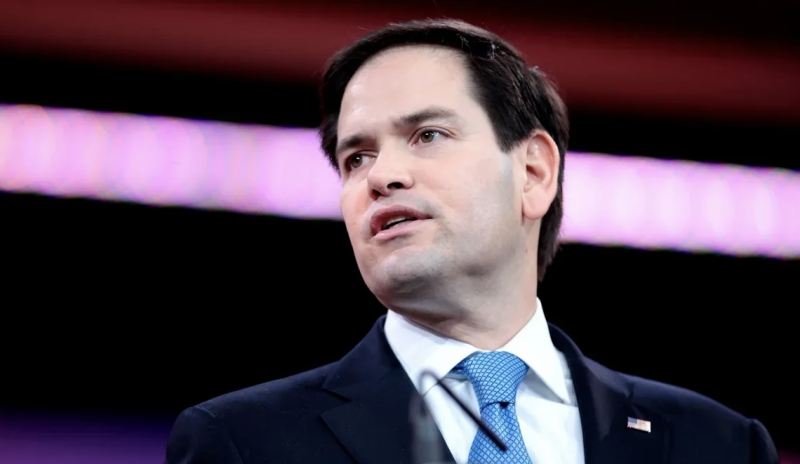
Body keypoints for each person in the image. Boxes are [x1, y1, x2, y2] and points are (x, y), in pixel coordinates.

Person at [166, 19, 778, 464]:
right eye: (357, 158)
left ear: (533, 172)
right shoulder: (242, 442)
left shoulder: (717, 444)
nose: (381, 175)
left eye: (428, 135)